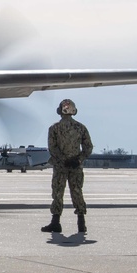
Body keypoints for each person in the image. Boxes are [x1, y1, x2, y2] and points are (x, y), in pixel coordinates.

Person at [41, 98, 93, 233]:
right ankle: (81, 223)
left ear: (59, 111)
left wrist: (63, 159)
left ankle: (55, 222)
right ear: (74, 111)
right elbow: (88, 147)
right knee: (77, 192)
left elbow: (52, 148)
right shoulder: (81, 128)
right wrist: (78, 159)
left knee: (58, 193)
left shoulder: (54, 128)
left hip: (60, 167)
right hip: (76, 166)